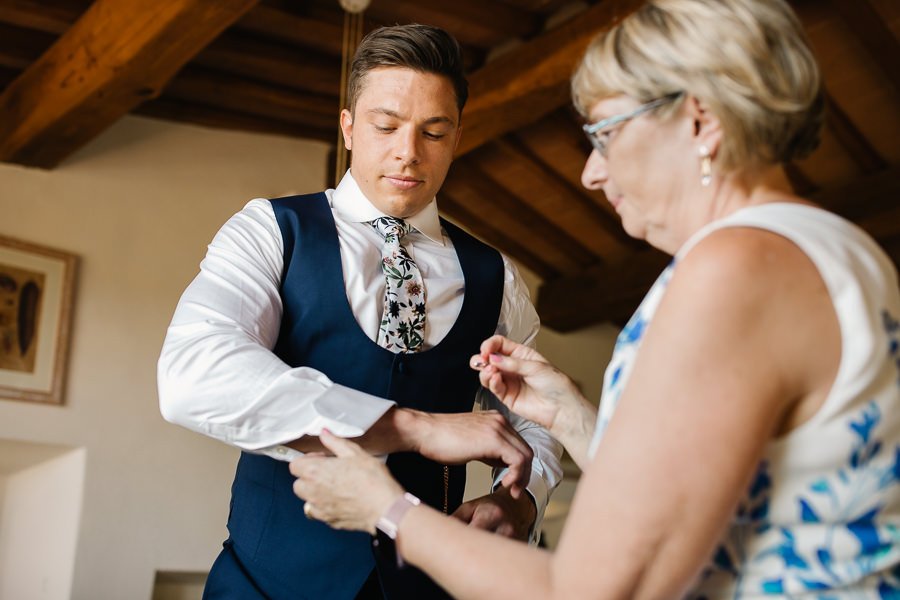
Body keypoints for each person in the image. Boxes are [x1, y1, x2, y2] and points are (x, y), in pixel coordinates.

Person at [287, 0, 900, 597]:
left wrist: (386, 510)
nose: (591, 174)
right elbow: (725, 492)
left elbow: (596, 588)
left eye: (606, 135)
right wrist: (575, 418)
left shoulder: (733, 269)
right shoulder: (839, 247)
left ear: (699, 121)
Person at [157, 24, 562, 600]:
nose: (409, 152)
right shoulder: (272, 232)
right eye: (386, 125)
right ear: (348, 127)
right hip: (263, 587)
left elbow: (536, 417)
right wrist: (414, 428)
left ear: (457, 138)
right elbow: (191, 375)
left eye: (434, 132)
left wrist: (519, 502)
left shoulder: (499, 277)